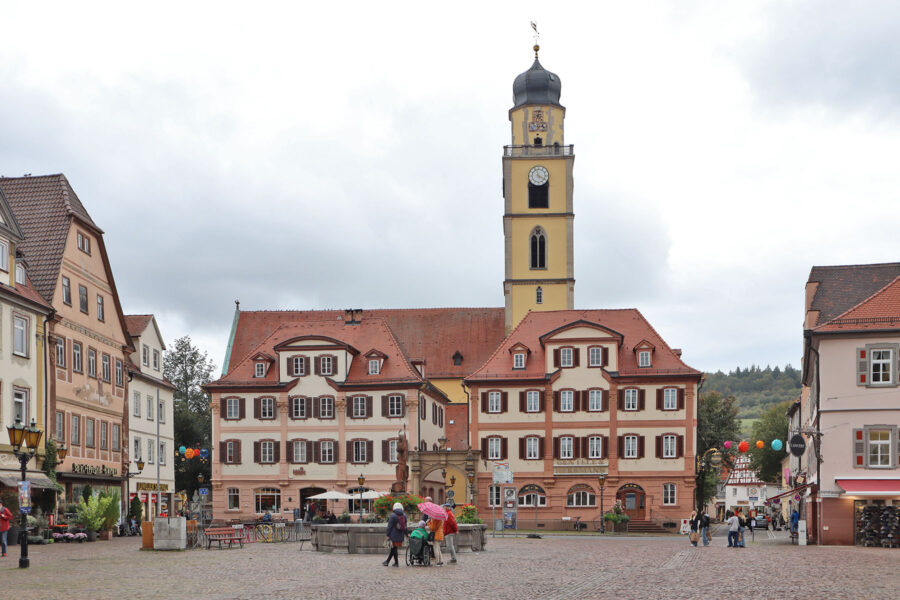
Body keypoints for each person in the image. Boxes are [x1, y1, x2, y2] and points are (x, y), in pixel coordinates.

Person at [383, 502, 407, 567]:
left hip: (393, 534)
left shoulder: (393, 515)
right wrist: (406, 534)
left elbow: (389, 526)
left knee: (394, 548)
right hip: (400, 534)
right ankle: (391, 562)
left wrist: (388, 535)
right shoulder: (404, 515)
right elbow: (405, 526)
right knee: (394, 548)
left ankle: (391, 562)